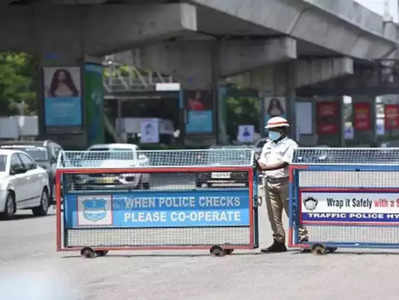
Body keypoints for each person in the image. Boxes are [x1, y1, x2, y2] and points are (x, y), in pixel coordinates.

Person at [257, 116, 307, 252]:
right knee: (273, 215)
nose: (271, 132)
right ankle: (278, 241)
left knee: (293, 211)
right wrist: (259, 165)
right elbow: (262, 161)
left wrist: (264, 168)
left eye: (273, 129)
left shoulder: (290, 144)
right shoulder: (268, 145)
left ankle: (303, 239)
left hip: (286, 182)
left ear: (282, 130)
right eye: (270, 130)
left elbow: (285, 163)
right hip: (269, 182)